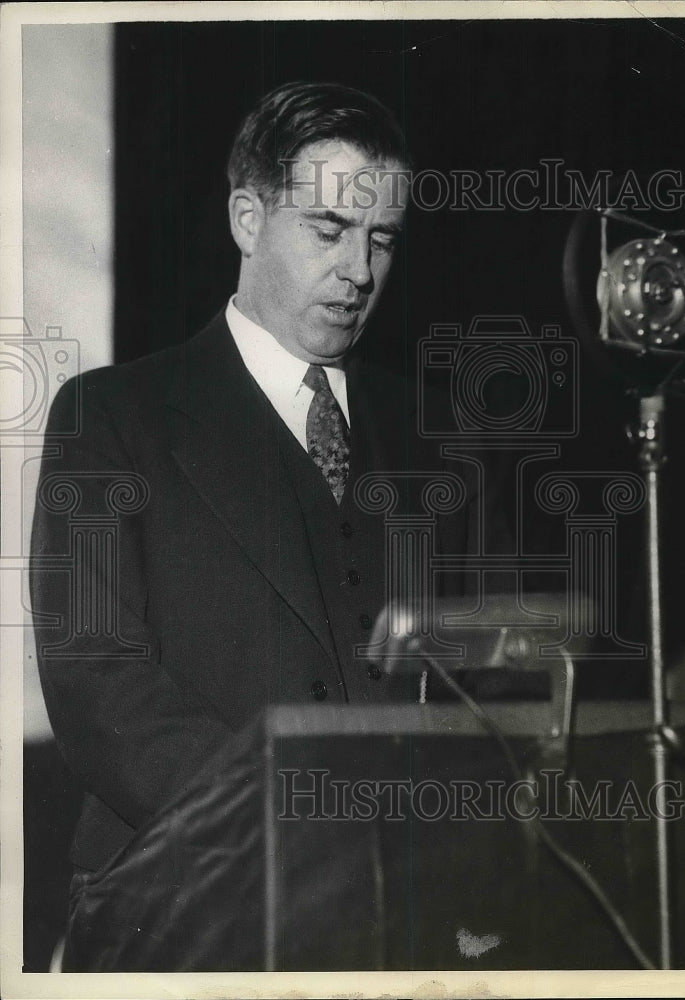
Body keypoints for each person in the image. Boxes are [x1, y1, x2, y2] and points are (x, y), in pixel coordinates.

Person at [30, 82, 497, 966]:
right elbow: (98, 686)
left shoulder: (439, 435)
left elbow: (478, 680)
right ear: (247, 218)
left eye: (382, 239)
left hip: (413, 900)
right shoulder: (112, 416)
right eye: (328, 230)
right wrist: (298, 823)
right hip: (184, 896)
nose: (359, 270)